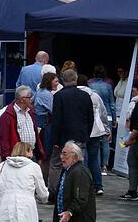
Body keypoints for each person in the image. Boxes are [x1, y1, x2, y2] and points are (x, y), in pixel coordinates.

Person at [48, 69, 93, 200]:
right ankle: (78, 193)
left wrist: (54, 140)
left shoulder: (59, 96)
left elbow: (56, 120)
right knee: (78, 164)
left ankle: (54, 193)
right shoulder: (85, 96)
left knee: (56, 164)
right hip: (80, 136)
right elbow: (90, 118)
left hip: (63, 138)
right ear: (76, 79)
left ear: (62, 80)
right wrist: (87, 135)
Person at [0, 142, 49, 222]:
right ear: (27, 151)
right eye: (31, 150)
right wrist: (45, 199)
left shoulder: (2, 166)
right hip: (27, 207)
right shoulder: (34, 167)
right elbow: (42, 192)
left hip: (5, 206)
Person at [76, 74, 109, 195]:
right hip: (96, 130)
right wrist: (106, 129)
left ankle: (84, 186)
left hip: (82, 130)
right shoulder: (95, 96)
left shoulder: (75, 95)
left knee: (82, 158)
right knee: (94, 159)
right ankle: (98, 186)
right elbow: (103, 113)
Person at [119, 78, 138, 201]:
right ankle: (132, 190)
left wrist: (130, 139)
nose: (132, 90)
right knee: (132, 162)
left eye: (135, 88)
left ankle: (133, 191)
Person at [0, 85, 45, 161]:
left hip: (31, 154)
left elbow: (35, 133)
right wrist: (6, 157)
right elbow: (4, 139)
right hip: (17, 156)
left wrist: (39, 154)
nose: (31, 99)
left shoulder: (30, 112)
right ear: (22, 99)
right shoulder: (7, 116)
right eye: (29, 97)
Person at [54, 141, 96, 222]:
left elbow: (81, 198)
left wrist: (70, 212)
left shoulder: (80, 172)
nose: (61, 157)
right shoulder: (67, 170)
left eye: (65, 154)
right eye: (61, 153)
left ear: (75, 157)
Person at [87, 65, 115, 176]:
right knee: (106, 141)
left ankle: (97, 165)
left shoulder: (91, 85)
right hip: (107, 114)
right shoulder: (108, 86)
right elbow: (112, 103)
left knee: (96, 142)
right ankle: (105, 166)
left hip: (96, 115)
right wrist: (113, 118)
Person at [34, 73, 59, 156]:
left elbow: (31, 101)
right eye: (56, 81)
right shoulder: (47, 95)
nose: (58, 83)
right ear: (49, 82)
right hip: (44, 123)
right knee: (46, 151)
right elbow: (54, 111)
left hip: (39, 122)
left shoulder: (39, 91)